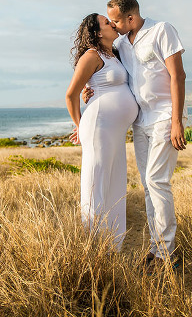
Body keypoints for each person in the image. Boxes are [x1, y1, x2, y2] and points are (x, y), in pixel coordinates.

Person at [87, 0, 187, 269]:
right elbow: (109, 70)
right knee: (147, 185)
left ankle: (168, 253)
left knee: (157, 181)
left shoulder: (161, 30)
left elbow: (178, 75)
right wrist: (90, 88)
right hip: (140, 121)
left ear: (130, 17)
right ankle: (157, 249)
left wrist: (177, 121)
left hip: (165, 116)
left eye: (116, 20)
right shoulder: (120, 43)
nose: (113, 25)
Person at [65, 13, 138, 251]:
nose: (113, 24)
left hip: (115, 131)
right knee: (95, 185)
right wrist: (79, 125)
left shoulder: (114, 54)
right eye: (107, 22)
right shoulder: (91, 56)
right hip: (99, 126)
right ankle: (91, 248)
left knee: (115, 185)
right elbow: (71, 94)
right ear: (97, 33)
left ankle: (112, 246)